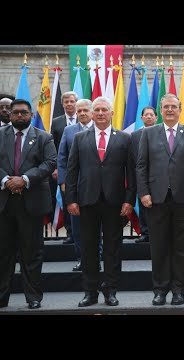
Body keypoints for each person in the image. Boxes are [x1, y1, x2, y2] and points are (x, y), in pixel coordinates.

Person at [66, 96, 135, 308]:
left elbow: (131, 173)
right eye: (97, 110)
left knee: (113, 249)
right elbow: (72, 171)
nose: (101, 113)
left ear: (112, 113)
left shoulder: (124, 138)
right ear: (92, 114)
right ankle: (90, 292)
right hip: (87, 201)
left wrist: (129, 200)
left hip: (114, 202)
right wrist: (71, 199)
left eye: (105, 110)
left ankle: (111, 291)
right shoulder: (79, 138)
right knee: (88, 248)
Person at [137, 94, 184, 306]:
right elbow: (141, 166)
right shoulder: (148, 133)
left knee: (182, 247)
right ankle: (160, 290)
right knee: (158, 246)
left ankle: (179, 290)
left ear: (179, 109)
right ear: (161, 109)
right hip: (155, 199)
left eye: (173, 107)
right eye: (165, 107)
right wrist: (144, 193)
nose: (169, 110)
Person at [0, 99, 56, 309]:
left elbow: (50, 162)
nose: (20, 116)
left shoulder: (43, 137)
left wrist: (24, 179)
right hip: (4, 202)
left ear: (31, 114)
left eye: (24, 113)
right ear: (10, 115)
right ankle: (2, 297)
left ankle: (33, 297)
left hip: (31, 203)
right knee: (3, 253)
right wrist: (7, 180)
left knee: (31, 253)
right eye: (16, 113)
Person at [57, 99, 99, 272]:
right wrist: (64, 182)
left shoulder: (100, 129)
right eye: (79, 110)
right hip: (75, 187)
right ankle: (82, 258)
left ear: (92, 112)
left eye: (85, 110)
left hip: (97, 187)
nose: (81, 113)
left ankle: (97, 257)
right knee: (77, 227)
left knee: (97, 226)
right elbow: (62, 159)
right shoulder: (69, 131)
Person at [52, 91, 79, 245]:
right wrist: (57, 168)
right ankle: (70, 233)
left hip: (83, 170)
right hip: (64, 170)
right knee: (67, 201)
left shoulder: (85, 120)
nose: (69, 104)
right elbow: (54, 147)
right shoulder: (56, 122)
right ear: (62, 104)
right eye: (66, 102)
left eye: (72, 101)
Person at [131, 106, 158, 244]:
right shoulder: (134, 135)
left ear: (156, 117)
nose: (148, 117)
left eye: (151, 114)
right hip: (141, 175)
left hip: (158, 176)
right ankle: (145, 232)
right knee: (143, 204)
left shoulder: (160, 133)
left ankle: (157, 233)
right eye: (146, 115)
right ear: (141, 118)